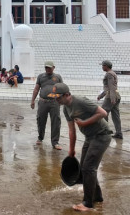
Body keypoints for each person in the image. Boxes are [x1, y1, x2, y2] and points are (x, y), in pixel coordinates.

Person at [49, 83, 111, 212]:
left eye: (58, 98)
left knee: (89, 167)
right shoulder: (66, 107)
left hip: (101, 135)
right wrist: (71, 150)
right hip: (90, 137)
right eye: (55, 98)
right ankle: (97, 197)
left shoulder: (81, 101)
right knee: (85, 168)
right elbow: (72, 130)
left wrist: (84, 123)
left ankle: (88, 204)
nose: (56, 100)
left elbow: (103, 113)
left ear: (67, 95)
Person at [30, 61, 63, 150]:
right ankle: (40, 138)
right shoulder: (41, 76)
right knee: (40, 120)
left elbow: (62, 89)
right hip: (43, 102)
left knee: (56, 122)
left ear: (53, 67)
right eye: (46, 68)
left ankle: (55, 142)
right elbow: (36, 89)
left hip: (54, 102)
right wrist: (32, 100)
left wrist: (62, 101)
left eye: (49, 67)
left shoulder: (58, 77)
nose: (47, 69)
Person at [97, 60, 122, 139]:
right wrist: (101, 96)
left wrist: (112, 98)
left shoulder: (109, 74)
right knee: (116, 116)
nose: (102, 67)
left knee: (103, 113)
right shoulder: (113, 73)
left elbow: (111, 87)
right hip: (115, 95)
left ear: (106, 66)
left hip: (111, 97)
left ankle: (105, 132)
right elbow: (109, 88)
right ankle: (118, 133)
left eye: (103, 65)